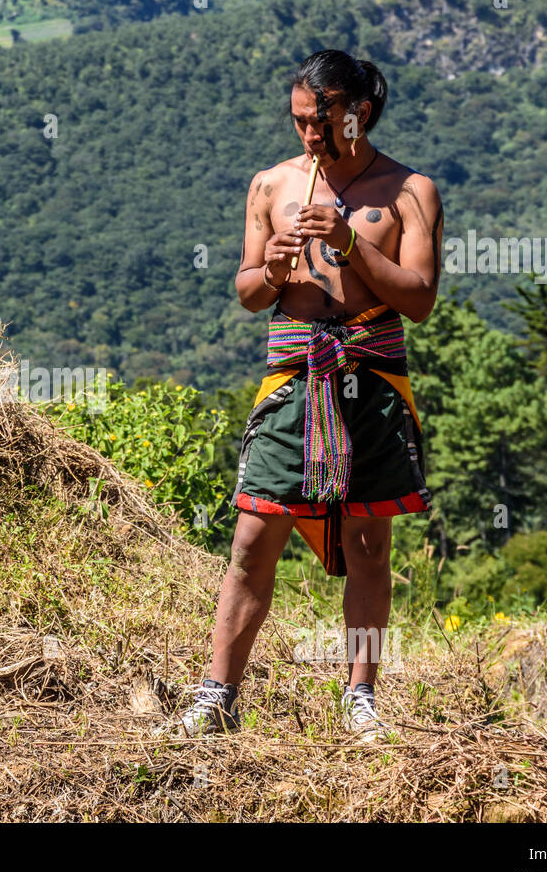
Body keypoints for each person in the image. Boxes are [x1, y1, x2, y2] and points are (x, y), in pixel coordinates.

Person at [167, 49, 444, 741]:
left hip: (371, 380)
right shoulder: (272, 185)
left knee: (369, 545)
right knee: (255, 537)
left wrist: (351, 243)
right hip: (295, 378)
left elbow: (420, 301)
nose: (308, 137)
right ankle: (217, 692)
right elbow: (247, 292)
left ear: (360, 113)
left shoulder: (410, 191)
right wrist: (274, 265)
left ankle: (360, 696)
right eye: (299, 123)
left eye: (320, 123)